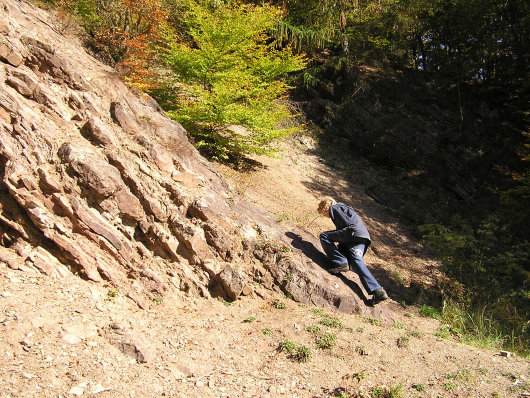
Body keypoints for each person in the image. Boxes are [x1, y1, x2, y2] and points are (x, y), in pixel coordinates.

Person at [317, 197, 388, 304]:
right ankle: (378, 291)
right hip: (362, 236)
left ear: (325, 208)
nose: (325, 216)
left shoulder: (334, 208)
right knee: (356, 261)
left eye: (323, 213)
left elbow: (348, 226)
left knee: (324, 236)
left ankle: (340, 262)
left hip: (353, 233)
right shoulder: (344, 208)